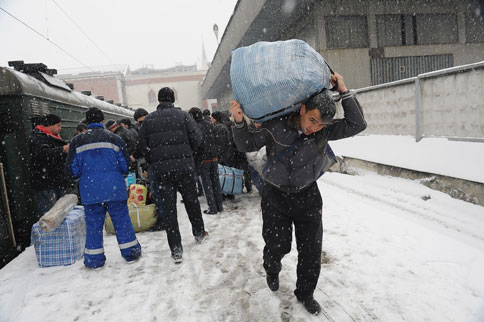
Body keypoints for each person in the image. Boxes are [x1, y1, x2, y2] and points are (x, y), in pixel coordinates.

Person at [229, 73, 367, 315]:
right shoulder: (276, 126)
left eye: (320, 124)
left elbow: (357, 124)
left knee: (311, 251)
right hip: (276, 196)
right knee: (277, 245)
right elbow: (246, 145)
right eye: (312, 120)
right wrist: (239, 123)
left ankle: (305, 293)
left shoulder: (323, 131)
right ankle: (272, 268)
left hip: (308, 196)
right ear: (303, 109)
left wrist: (344, 91)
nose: (314, 128)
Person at [137, 87, 208, 264]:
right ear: (173, 99)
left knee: (169, 210)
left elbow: (141, 146)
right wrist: (187, 154)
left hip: (162, 172)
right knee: (192, 202)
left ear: (159, 100)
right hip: (185, 169)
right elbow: (198, 140)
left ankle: (176, 249)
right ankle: (199, 233)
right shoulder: (184, 116)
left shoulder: (149, 120)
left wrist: (154, 158)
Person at [66, 107, 141, 269]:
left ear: (86, 122)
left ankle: (94, 259)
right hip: (114, 188)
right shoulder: (114, 139)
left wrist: (84, 177)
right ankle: (131, 252)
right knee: (122, 221)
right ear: (102, 121)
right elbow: (125, 165)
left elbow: (72, 169)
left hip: (90, 190)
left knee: (93, 226)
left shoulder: (77, 141)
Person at [29, 113, 73, 216]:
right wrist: (64, 149)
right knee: (50, 214)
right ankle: (51, 232)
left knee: (60, 213)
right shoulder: (37, 138)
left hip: (55, 181)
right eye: (58, 125)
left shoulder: (53, 137)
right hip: (46, 183)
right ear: (50, 125)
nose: (60, 128)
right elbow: (44, 154)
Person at [188, 107, 223, 215]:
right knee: (215, 182)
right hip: (213, 157)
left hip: (203, 159)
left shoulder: (194, 127)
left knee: (207, 183)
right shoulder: (209, 124)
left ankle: (212, 208)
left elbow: (195, 144)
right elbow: (216, 139)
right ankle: (219, 205)